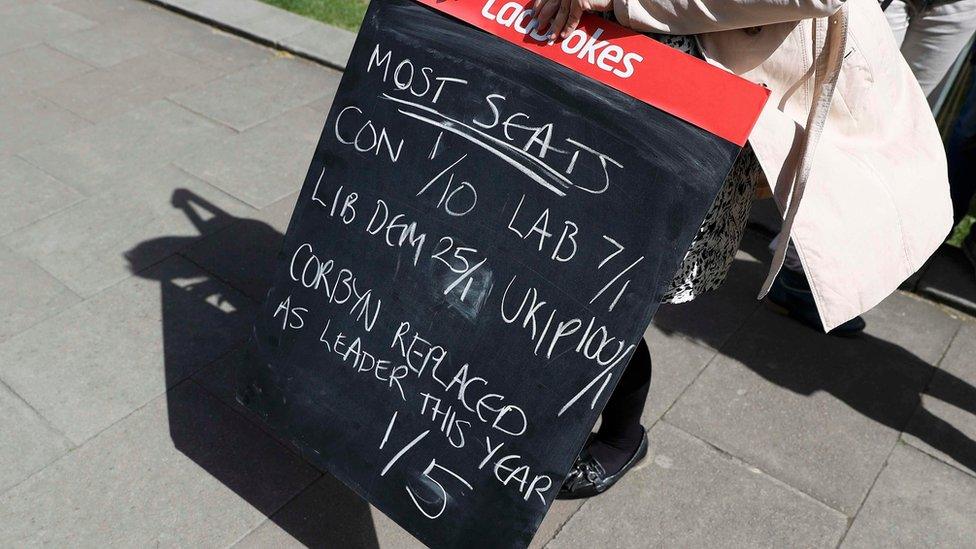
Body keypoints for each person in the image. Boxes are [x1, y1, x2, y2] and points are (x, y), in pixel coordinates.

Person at [531, 0, 953, 499]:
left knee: (611, 291)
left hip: (688, 98)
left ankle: (620, 436)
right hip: (588, 56)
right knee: (540, 256)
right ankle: (534, 409)